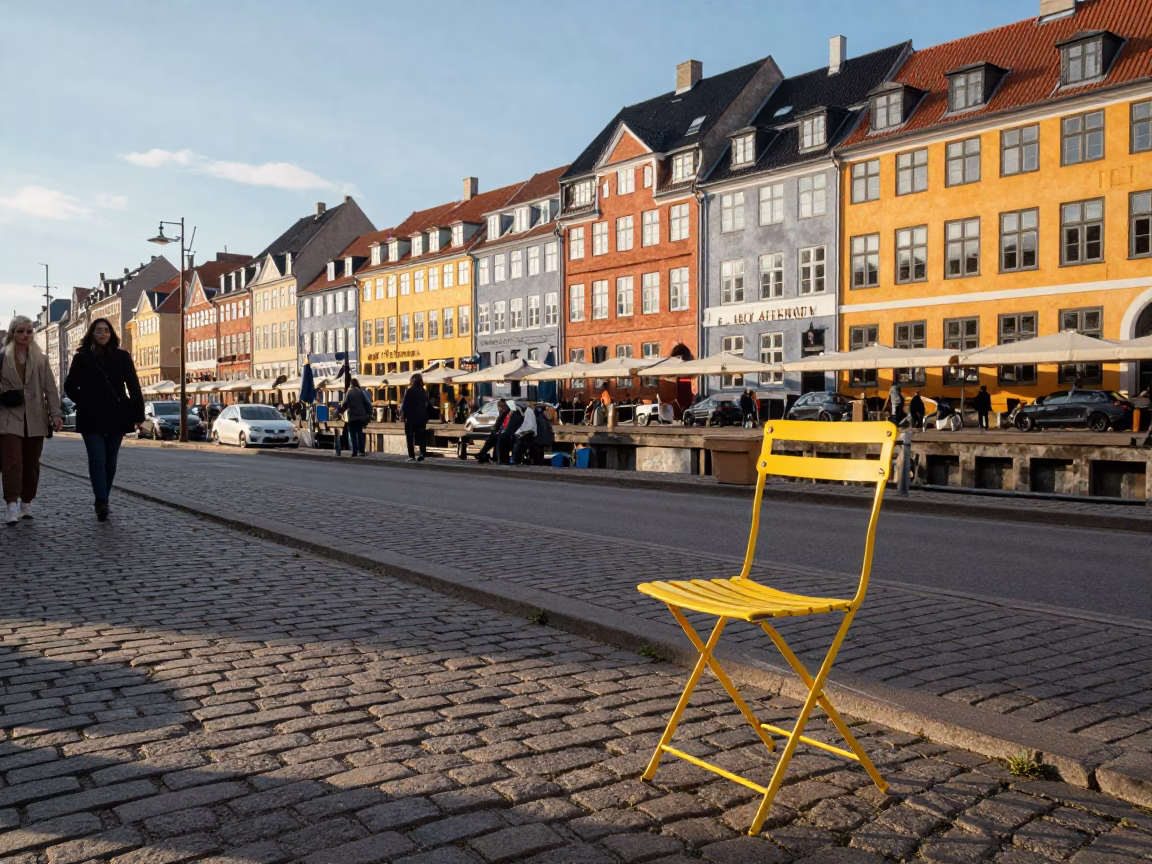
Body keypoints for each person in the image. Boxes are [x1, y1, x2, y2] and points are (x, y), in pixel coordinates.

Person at [63, 317, 143, 522]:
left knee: (111, 462)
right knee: (97, 459)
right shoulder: (82, 357)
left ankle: (103, 496)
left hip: (117, 415)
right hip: (91, 417)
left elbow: (134, 387)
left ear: (111, 333)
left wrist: (138, 415)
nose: (102, 334)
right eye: (98, 330)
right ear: (92, 333)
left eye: (106, 330)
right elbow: (70, 385)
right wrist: (84, 400)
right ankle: (101, 501)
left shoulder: (122, 356)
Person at [0, 316, 63, 525]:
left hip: (35, 417)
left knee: (31, 464)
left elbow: (51, 389)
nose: (25, 335)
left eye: (28, 331)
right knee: (11, 462)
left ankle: (26, 503)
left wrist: (55, 414)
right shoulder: (2, 357)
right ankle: (11, 505)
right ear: (12, 333)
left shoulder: (41, 359)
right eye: (20, 331)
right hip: (9, 417)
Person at [400, 372, 430, 462]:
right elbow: (427, 404)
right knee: (421, 436)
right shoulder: (423, 392)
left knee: (409, 437)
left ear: (412, 381)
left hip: (410, 417)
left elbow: (405, 405)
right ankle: (421, 453)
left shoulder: (409, 391)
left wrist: (403, 415)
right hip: (421, 417)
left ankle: (411, 456)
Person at [340, 378, 372, 457]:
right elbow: (366, 403)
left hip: (353, 417)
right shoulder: (360, 391)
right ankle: (361, 451)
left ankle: (354, 452)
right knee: (360, 433)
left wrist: (340, 411)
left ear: (350, 384)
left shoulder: (349, 392)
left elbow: (346, 404)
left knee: (353, 434)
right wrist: (369, 413)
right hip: (361, 416)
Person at [474, 399, 509, 464]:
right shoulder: (501, 414)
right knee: (491, 438)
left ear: (506, 406)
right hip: (498, 433)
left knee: (492, 438)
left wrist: (495, 432)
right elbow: (496, 426)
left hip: (505, 433)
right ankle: (483, 454)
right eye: (499, 406)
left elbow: (502, 426)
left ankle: (482, 454)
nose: (500, 407)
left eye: (502, 405)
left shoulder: (507, 414)